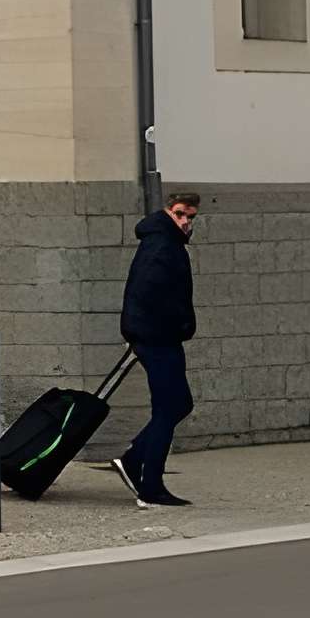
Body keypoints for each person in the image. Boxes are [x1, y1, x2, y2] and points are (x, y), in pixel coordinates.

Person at [112, 190, 201, 508]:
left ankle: (134, 460)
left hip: (158, 337)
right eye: (180, 214)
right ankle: (150, 484)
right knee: (170, 407)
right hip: (158, 338)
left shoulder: (165, 242)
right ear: (168, 212)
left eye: (190, 216)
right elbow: (146, 293)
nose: (186, 222)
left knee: (179, 404)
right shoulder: (162, 245)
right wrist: (165, 329)